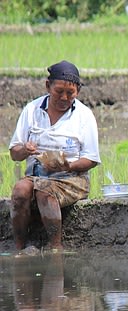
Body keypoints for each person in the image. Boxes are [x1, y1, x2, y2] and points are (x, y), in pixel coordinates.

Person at [8, 60, 101, 253]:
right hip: (36, 175)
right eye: (59, 91)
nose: (64, 97)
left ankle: (55, 247)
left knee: (44, 190)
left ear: (78, 91)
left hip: (73, 179)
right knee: (19, 191)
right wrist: (25, 149)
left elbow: (91, 159)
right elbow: (14, 153)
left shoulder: (84, 116)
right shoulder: (32, 110)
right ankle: (19, 247)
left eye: (70, 93)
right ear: (47, 86)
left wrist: (67, 166)